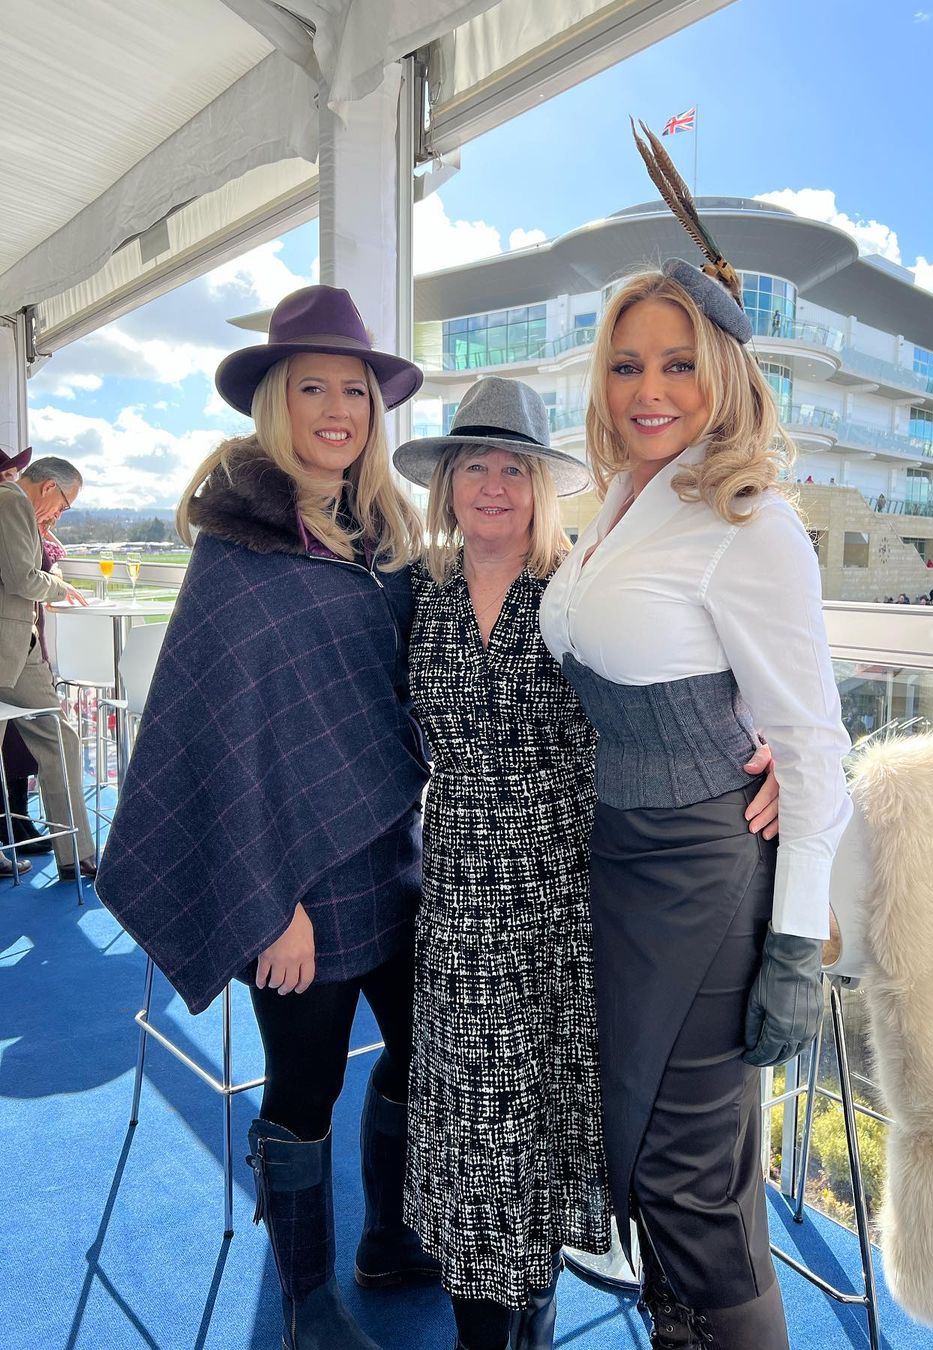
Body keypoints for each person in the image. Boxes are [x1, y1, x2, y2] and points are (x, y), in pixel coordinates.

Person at [393, 377, 780, 1350]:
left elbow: (696, 683)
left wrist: (775, 747)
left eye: (512, 468)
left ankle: (529, 1313)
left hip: (567, 895)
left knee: (542, 1124)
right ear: (446, 486)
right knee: (469, 1127)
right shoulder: (418, 595)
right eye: (474, 467)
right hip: (458, 898)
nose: (492, 485)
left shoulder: (574, 596)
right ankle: (483, 1323)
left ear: (541, 487)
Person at [96, 286, 436, 1350]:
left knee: (424, 1053)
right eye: (313, 389)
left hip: (396, 859)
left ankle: (390, 1237)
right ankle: (306, 1305)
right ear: (276, 404)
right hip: (293, 885)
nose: (338, 410)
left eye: (356, 391)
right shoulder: (235, 554)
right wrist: (267, 902)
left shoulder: (386, 541)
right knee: (305, 1087)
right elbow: (215, 738)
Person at [540, 244, 850, 1346]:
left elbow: (814, 746)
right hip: (620, 860)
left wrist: (795, 947)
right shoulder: (624, 500)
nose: (650, 390)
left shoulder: (750, 520)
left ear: (721, 373)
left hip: (703, 877)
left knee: (688, 1181)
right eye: (627, 365)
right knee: (649, 1158)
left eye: (678, 364)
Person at [0, 454, 97, 880]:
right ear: (48, 487)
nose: (60, 513)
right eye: (65, 504)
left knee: (61, 739)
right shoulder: (11, 501)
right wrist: (59, 585)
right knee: (59, 739)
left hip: (20, 649)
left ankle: (76, 853)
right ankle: (76, 856)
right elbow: (22, 578)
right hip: (8, 648)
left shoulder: (15, 506)